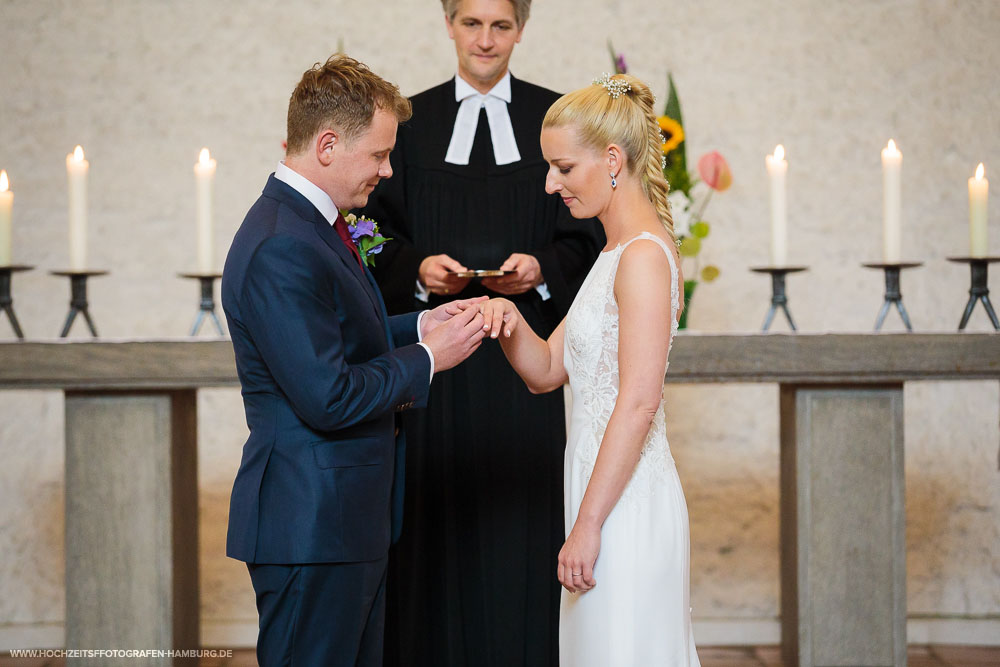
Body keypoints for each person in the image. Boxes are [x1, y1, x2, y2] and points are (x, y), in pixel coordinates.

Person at [221, 54, 487, 667]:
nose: (387, 171)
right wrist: (426, 357)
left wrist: (422, 322)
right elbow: (328, 395)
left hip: (339, 519)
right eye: (379, 155)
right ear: (328, 144)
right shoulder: (282, 245)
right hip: (311, 525)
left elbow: (337, 334)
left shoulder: (309, 227)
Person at [362, 1, 604, 665]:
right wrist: (416, 270)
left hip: (523, 373)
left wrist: (543, 270)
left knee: (518, 532)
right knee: (435, 530)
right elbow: (367, 230)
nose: (486, 39)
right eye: (472, 23)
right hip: (434, 371)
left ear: (521, 30)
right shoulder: (408, 126)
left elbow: (589, 235)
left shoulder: (558, 120)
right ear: (449, 25)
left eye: (501, 25)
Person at [480, 73, 701, 666]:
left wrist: (587, 526)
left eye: (563, 168)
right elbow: (546, 368)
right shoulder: (610, 254)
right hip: (597, 493)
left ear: (611, 159)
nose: (552, 185)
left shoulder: (645, 258)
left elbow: (638, 402)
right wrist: (507, 316)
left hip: (624, 506)